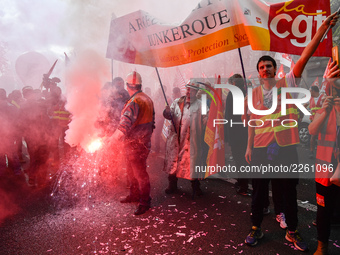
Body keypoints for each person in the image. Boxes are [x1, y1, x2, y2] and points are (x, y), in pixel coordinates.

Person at [244, 12, 339, 251]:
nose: (265, 69)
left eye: (269, 66)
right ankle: (256, 227)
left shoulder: (287, 84)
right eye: (262, 67)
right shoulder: (252, 95)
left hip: (285, 149)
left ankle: (292, 231)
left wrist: (323, 30)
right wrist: (248, 147)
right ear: (258, 73)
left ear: (276, 70)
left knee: (288, 192)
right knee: (258, 192)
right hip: (259, 150)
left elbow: (304, 57)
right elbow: (252, 123)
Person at [108, 71, 155, 215]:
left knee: (140, 174)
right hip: (143, 142)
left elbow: (124, 126)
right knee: (131, 171)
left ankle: (144, 202)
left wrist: (111, 140)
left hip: (135, 144)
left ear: (129, 86)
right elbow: (152, 122)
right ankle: (134, 195)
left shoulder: (134, 102)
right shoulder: (147, 99)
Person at [308, 60, 340, 255]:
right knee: (323, 210)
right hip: (324, 169)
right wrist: (325, 111)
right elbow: (312, 130)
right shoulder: (324, 107)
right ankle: (322, 247)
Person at [162, 83, 205, 197]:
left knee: (192, 164)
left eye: (192, 91)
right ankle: (172, 184)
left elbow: (207, 120)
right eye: (187, 90)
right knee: (173, 163)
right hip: (176, 139)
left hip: (191, 140)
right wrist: (166, 112)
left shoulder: (201, 105)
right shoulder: (177, 102)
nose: (188, 93)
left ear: (196, 93)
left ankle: (196, 187)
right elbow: (169, 115)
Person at [224, 74, 250, 196]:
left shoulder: (232, 94)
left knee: (239, 160)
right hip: (246, 132)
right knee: (244, 159)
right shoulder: (247, 93)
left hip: (236, 133)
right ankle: (243, 181)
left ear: (234, 83)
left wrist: (227, 135)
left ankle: (243, 185)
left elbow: (229, 116)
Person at [305, 85, 325, 158]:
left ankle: (322, 152)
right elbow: (304, 105)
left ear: (313, 91)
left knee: (322, 137)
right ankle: (311, 151)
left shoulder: (323, 97)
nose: (309, 93)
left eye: (310, 91)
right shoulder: (310, 99)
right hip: (313, 121)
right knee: (312, 137)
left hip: (322, 121)